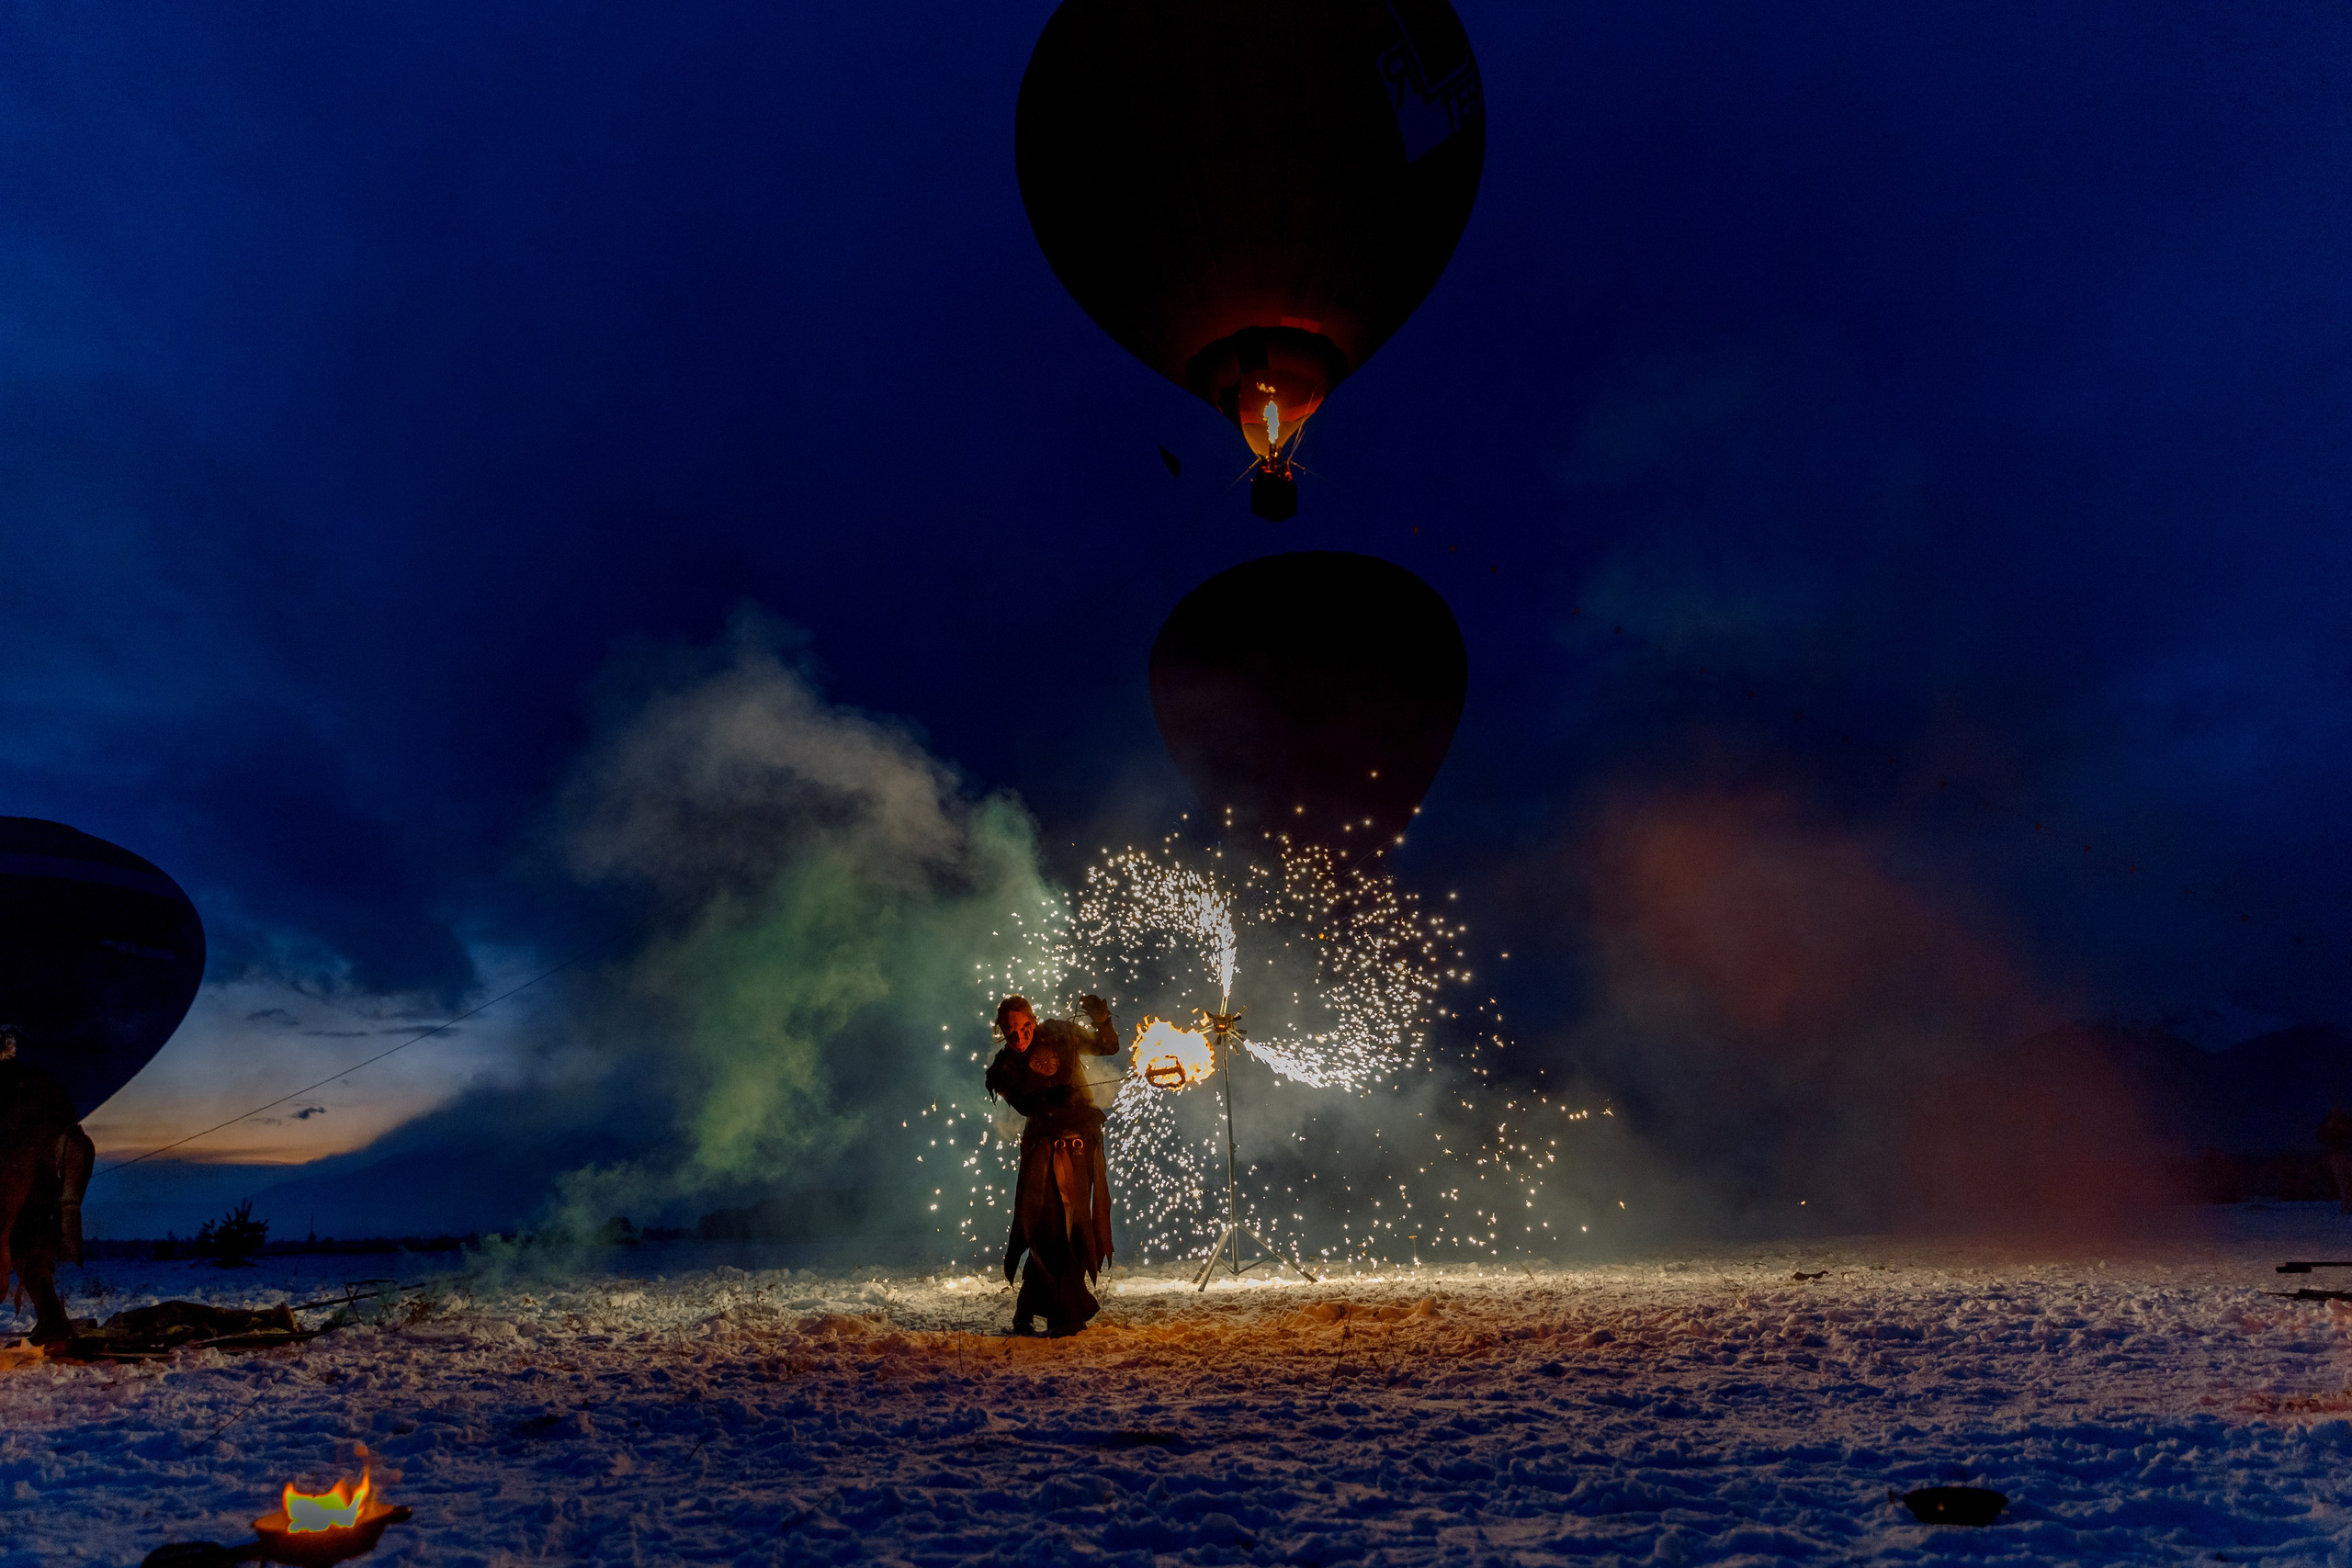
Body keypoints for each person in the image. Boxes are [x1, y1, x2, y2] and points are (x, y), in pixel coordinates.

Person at [985, 993, 1119, 1336]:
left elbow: (1107, 1047)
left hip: (1081, 1146)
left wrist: (1102, 1020)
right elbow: (1027, 1106)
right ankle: (1064, 1316)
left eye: (1024, 1028)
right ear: (1001, 1030)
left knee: (1072, 1229)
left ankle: (1033, 1310)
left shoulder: (1061, 1035)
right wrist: (1048, 1099)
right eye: (1010, 1031)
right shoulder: (1004, 1067)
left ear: (1033, 1020)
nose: (1018, 1038)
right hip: (1043, 1153)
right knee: (1049, 1231)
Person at [2319, 1107, 2352, 1213]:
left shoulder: (2346, 1121)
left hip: (2348, 1153)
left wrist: (2344, 1128)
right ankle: (2347, 1206)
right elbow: (2320, 1137)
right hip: (2335, 1155)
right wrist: (2329, 1128)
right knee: (2343, 1182)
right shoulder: (2327, 1123)